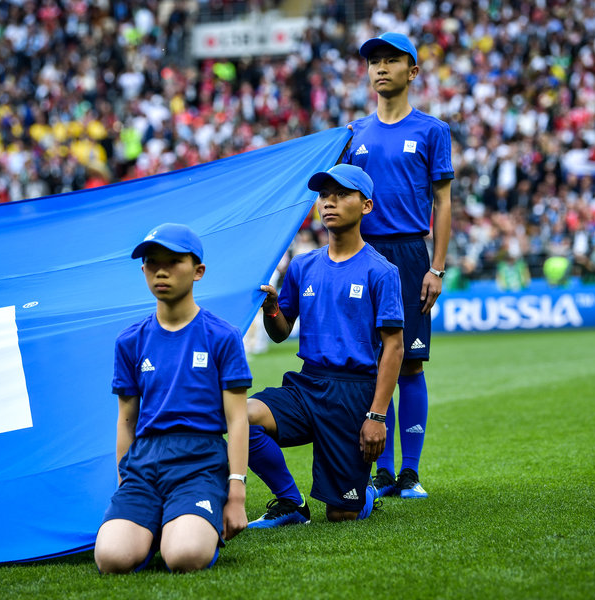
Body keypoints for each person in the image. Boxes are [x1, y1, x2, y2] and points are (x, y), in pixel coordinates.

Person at [246, 164, 404, 526]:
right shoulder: (302, 266)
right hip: (307, 384)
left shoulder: (381, 271)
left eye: (341, 195)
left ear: (366, 206)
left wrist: (377, 416)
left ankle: (363, 491)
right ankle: (290, 502)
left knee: (341, 513)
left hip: (353, 393)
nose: (329, 203)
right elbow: (281, 332)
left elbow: (394, 349)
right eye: (323, 196)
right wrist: (272, 309)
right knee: (240, 415)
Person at [94, 223, 252, 573]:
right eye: (152, 262)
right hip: (144, 464)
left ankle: (183, 530)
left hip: (201, 462)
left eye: (173, 261)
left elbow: (238, 419)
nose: (160, 271)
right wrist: (125, 481)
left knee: (184, 556)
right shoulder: (129, 341)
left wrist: (236, 491)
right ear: (142, 270)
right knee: (110, 558)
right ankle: (156, 525)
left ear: (198, 271)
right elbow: (126, 419)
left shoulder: (222, 335)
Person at [343, 32, 454, 499]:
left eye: (391, 60)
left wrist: (438, 267)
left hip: (410, 255)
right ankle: (380, 472)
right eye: (374, 61)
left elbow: (444, 204)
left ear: (412, 72)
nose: (380, 68)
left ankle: (410, 472)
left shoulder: (432, 130)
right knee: (369, 364)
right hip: (362, 256)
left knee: (410, 366)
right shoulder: (351, 134)